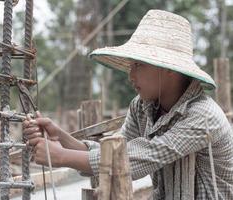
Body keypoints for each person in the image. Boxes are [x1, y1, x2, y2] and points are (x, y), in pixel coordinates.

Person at [23, 10, 233, 199]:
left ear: (169, 69)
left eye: (139, 65)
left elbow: (134, 161)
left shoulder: (203, 116)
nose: (131, 75)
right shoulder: (141, 107)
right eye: (131, 66)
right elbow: (115, 152)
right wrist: (61, 137)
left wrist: (61, 156)